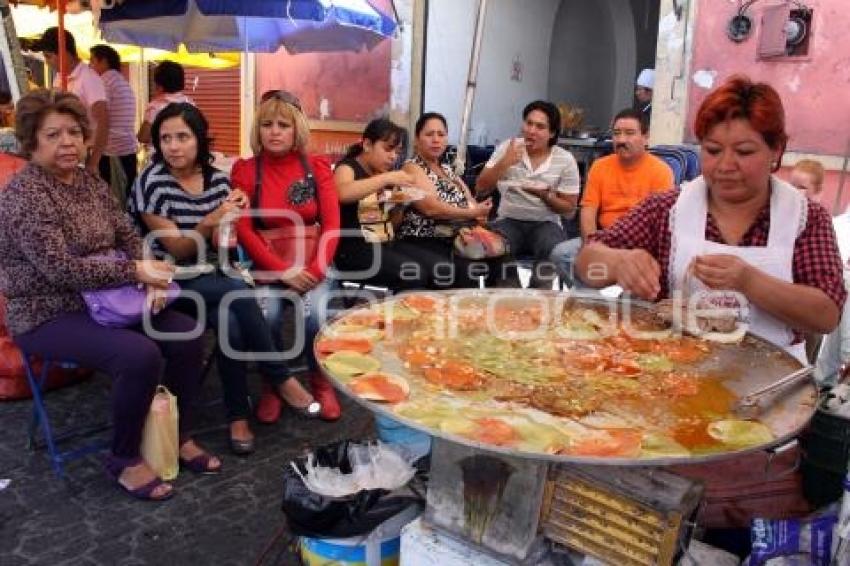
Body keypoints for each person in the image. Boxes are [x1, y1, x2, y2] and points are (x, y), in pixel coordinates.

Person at [0, 90, 220, 501]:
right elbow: (60, 267)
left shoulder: (89, 181)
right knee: (138, 355)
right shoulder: (24, 196)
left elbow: (127, 232)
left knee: (189, 335)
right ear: (30, 142)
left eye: (73, 132)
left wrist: (151, 278)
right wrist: (134, 270)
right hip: (47, 312)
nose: (67, 142)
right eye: (52, 135)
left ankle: (176, 434)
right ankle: (123, 459)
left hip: (112, 299)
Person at [575, 75, 845, 363]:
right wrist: (618, 263)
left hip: (772, 380)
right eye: (713, 150)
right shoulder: (668, 209)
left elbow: (827, 314)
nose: (726, 165)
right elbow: (586, 263)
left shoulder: (805, 218)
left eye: (744, 151)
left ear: (776, 150)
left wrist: (749, 281)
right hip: (675, 371)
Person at [129, 102, 318, 455]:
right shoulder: (150, 184)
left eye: (182, 137)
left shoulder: (217, 180)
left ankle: (237, 417)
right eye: (165, 138)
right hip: (168, 283)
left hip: (214, 277)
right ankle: (280, 376)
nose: (173, 146)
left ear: (199, 140)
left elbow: (223, 242)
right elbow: (178, 249)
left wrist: (231, 219)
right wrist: (211, 219)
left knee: (231, 318)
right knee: (236, 291)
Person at [233, 90, 342, 421]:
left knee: (316, 316)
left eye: (283, 124)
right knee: (267, 316)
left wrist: (313, 272)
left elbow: (333, 224)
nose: (275, 131)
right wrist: (283, 272)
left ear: (297, 129)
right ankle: (274, 383)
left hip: (313, 263)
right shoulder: (246, 171)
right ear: (258, 130)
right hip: (269, 265)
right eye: (267, 124)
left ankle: (321, 382)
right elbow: (244, 230)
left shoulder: (317, 166)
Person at [549, 108, 674, 284]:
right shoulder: (600, 166)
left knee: (636, 294)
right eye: (617, 133)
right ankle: (591, 300)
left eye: (630, 133)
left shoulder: (661, 171)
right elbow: (588, 211)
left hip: (640, 246)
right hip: (604, 238)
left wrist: (630, 256)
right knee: (561, 254)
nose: (621, 139)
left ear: (646, 137)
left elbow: (659, 225)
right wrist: (591, 246)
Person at [475, 101, 580, 288]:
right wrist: (505, 162)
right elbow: (481, 187)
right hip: (508, 219)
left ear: (552, 133)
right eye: (528, 123)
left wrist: (546, 196)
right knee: (495, 244)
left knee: (552, 246)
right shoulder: (509, 148)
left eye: (540, 127)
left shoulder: (564, 159)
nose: (531, 131)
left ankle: (538, 296)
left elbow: (569, 210)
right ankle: (508, 294)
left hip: (546, 222)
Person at [395, 112, 498, 289]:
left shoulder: (447, 169)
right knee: (466, 266)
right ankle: (459, 314)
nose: (436, 140)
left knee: (501, 256)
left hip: (456, 235)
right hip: (425, 238)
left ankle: (496, 309)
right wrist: (472, 212)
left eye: (441, 134)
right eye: (429, 134)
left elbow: (469, 200)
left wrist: (479, 210)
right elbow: (431, 209)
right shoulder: (412, 167)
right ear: (417, 139)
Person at [333, 118, 427, 289]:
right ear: (367, 144)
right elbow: (342, 193)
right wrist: (387, 178)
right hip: (352, 250)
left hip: (381, 243)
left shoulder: (382, 174)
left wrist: (400, 204)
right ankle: (398, 314)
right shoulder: (348, 167)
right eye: (388, 149)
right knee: (414, 273)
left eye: (397, 152)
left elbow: (390, 226)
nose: (393, 156)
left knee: (430, 268)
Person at [36, 27, 108, 177]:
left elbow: (103, 121)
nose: (47, 62)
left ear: (64, 53)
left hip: (83, 155)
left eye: (48, 56)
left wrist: (94, 162)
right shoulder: (59, 77)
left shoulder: (88, 78)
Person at [89, 45, 139, 201]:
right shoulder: (122, 82)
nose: (90, 66)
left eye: (92, 61)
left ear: (103, 61)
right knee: (128, 196)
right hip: (128, 149)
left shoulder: (104, 81)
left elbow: (99, 118)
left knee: (113, 200)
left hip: (112, 151)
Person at [137, 61, 194, 152]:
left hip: (161, 158)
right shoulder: (191, 104)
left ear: (159, 85)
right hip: (185, 157)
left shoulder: (155, 106)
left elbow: (143, 137)